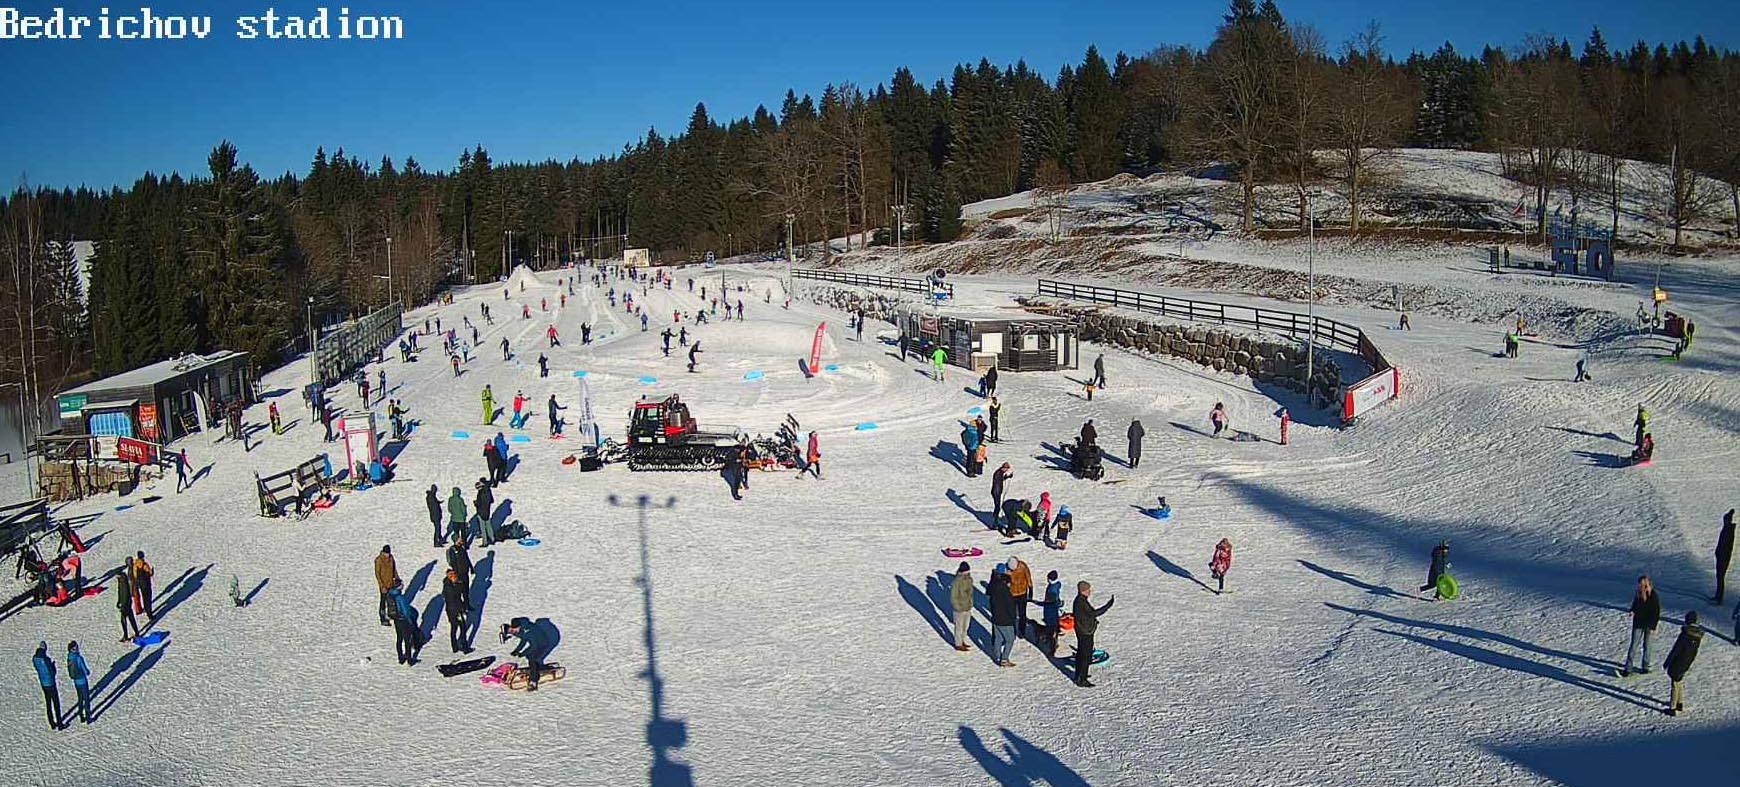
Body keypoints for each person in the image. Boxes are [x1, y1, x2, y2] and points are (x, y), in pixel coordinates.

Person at [1072, 581, 1114, 687]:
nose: (1090, 592)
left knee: (1082, 653)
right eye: (1088, 590)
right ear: (1083, 591)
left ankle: (1079, 675)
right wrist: (1107, 606)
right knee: (1086, 655)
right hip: (1085, 632)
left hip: (1082, 630)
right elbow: (1093, 613)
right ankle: (1082, 678)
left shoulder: (1080, 600)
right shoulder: (1081, 602)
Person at [1663, 611, 1703, 716]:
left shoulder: (1685, 634)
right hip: (1687, 662)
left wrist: (1667, 662)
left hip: (1678, 661)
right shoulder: (1697, 636)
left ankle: (1672, 707)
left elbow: (1676, 649)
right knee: (1679, 681)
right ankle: (1680, 703)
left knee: (1675, 683)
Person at [1621, 575, 1660, 677]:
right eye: (1640, 584)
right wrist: (1632, 611)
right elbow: (1635, 605)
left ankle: (1645, 667)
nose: (1641, 586)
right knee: (1633, 646)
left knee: (1647, 646)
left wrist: (1653, 627)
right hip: (1638, 623)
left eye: (1643, 584)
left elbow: (1656, 612)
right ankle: (1628, 668)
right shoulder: (1638, 594)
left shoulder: (1653, 595)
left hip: (1649, 625)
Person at [506, 617, 555, 691]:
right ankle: (538, 669)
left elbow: (534, 646)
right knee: (530, 657)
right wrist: (517, 650)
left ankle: (533, 682)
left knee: (532, 659)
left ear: (519, 626)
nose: (515, 631)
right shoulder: (522, 628)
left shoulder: (528, 630)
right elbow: (523, 640)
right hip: (537, 643)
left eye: (515, 629)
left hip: (542, 644)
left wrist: (523, 653)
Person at [989, 569, 1018, 667]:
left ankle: (997, 656)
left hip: (995, 618)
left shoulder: (994, 589)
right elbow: (1011, 608)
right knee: (1010, 639)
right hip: (1005, 620)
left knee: (998, 638)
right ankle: (1004, 659)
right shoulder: (1006, 594)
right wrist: (1013, 618)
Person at [387, 581, 420, 665]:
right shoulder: (400, 597)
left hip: (396, 620)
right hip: (403, 620)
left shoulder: (390, 595)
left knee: (399, 638)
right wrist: (410, 620)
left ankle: (400, 658)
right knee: (407, 640)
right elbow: (405, 611)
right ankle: (409, 659)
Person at [33, 642, 62, 730]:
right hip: (51, 683)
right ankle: (60, 723)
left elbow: (38, 669)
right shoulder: (46, 659)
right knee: (56, 703)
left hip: (43, 683)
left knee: (48, 703)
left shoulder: (35, 658)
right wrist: (53, 666)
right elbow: (52, 672)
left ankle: (52, 723)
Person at [442, 569, 470, 653]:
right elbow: (455, 599)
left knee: (454, 627)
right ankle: (463, 646)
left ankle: (455, 646)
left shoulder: (449, 585)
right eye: (452, 575)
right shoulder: (449, 588)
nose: (454, 576)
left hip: (451, 610)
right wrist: (460, 610)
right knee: (462, 627)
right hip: (455, 610)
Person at [950, 562, 975, 652]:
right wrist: (957, 607)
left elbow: (971, 593)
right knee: (959, 627)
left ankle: (962, 640)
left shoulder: (969, 579)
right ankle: (958, 644)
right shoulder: (957, 581)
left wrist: (971, 603)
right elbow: (953, 596)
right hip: (959, 609)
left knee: (965, 626)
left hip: (967, 607)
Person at [374, 545, 400, 627]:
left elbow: (394, 570)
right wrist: (382, 586)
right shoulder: (379, 560)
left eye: (388, 553)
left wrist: (397, 579)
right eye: (386, 554)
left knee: (391, 600)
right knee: (383, 601)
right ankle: (382, 617)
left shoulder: (391, 558)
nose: (387, 555)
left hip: (390, 583)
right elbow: (377, 574)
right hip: (384, 585)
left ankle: (391, 614)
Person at [65, 641, 91, 725]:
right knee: (86, 698)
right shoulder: (78, 657)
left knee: (80, 698)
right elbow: (84, 669)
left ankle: (81, 715)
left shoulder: (69, 657)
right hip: (82, 680)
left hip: (76, 681)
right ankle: (88, 717)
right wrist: (87, 672)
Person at [1039, 570, 1064, 657]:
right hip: (1053, 612)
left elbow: (1050, 601)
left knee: (1052, 630)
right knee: (1054, 628)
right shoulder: (1056, 586)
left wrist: (1040, 603)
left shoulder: (1052, 590)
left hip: (1050, 613)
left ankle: (1052, 648)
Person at [1008, 557, 1033, 638]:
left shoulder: (1023, 566)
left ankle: (1022, 630)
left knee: (1022, 613)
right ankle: (1013, 630)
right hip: (1012, 594)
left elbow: (1028, 577)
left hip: (1022, 593)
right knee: (1012, 614)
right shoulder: (1007, 570)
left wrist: (1030, 588)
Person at [115, 564, 141, 641]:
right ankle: (136, 633)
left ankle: (126, 636)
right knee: (131, 619)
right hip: (125, 603)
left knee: (124, 621)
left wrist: (123, 605)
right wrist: (118, 601)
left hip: (126, 604)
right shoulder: (121, 581)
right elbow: (120, 593)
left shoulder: (123, 583)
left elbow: (125, 594)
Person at [1714, 509, 1735, 605]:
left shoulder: (1728, 532)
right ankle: (1718, 596)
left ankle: (1719, 597)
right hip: (1722, 556)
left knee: (1720, 577)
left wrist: (1719, 553)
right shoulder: (1727, 530)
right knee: (1719, 577)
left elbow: (1725, 546)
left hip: (1723, 558)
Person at [133, 550, 155, 619]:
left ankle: (145, 608)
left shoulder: (135, 564)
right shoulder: (145, 564)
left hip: (140, 584)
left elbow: (135, 575)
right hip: (146, 583)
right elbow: (150, 573)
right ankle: (149, 613)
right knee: (148, 598)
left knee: (144, 596)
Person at [990, 463, 1013, 531]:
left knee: (997, 507)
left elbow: (1001, 479)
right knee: (997, 507)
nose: (1006, 470)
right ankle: (995, 522)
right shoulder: (998, 473)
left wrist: (1007, 477)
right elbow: (997, 482)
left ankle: (996, 520)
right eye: (1006, 469)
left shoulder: (1000, 472)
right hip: (996, 492)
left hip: (997, 492)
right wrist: (998, 492)